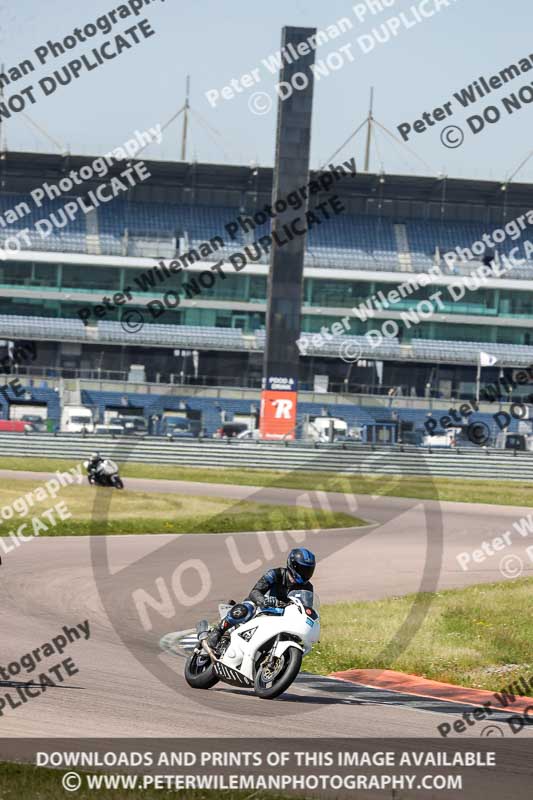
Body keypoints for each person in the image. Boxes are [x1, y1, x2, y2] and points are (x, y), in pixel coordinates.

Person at [207, 548, 316, 649]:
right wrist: (263, 600)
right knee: (246, 609)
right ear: (293, 565)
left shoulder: (307, 588)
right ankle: (219, 630)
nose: (305, 573)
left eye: (308, 570)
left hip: (282, 617)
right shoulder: (275, 574)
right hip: (261, 608)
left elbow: (305, 609)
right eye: (302, 569)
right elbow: (255, 592)